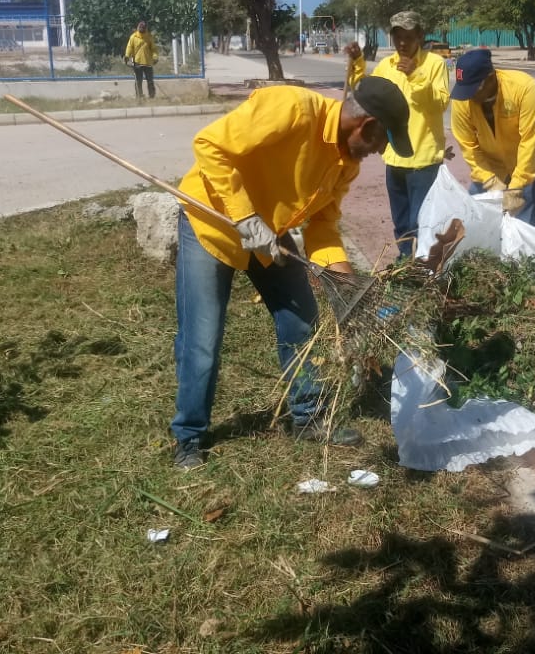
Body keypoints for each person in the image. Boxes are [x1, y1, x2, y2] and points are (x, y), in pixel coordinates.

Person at [171, 76, 413, 469]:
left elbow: (322, 226)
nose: (375, 153)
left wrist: (347, 283)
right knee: (203, 339)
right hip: (212, 224)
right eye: (379, 143)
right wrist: (245, 216)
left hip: (271, 235)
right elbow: (210, 145)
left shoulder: (344, 165)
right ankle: (189, 434)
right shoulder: (293, 109)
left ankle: (308, 418)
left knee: (303, 323)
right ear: (366, 126)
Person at [344, 11, 450, 258]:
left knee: (420, 222)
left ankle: (421, 267)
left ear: (420, 37)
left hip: (423, 160)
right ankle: (406, 263)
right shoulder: (386, 66)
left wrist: (415, 75)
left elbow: (439, 104)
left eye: (409, 37)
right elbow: (365, 92)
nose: (402, 43)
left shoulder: (434, 64)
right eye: (397, 37)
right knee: (401, 222)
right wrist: (357, 62)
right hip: (393, 157)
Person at [449, 49, 535, 233]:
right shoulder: (463, 99)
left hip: (529, 164)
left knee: (529, 229)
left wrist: (517, 186)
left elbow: (530, 140)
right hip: (490, 166)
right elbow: (468, 145)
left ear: (490, 78)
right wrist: (489, 180)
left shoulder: (524, 88)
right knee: (473, 218)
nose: (469, 97)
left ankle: (534, 259)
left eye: (474, 89)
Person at [124, 20, 159, 101]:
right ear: (138, 27)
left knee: (150, 81)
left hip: (148, 63)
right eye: (140, 27)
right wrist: (127, 56)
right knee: (138, 82)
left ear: (145, 28)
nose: (141, 28)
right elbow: (129, 48)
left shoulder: (149, 37)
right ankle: (139, 96)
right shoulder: (133, 37)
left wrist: (155, 57)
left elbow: (154, 49)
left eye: (143, 27)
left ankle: (152, 96)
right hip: (137, 63)